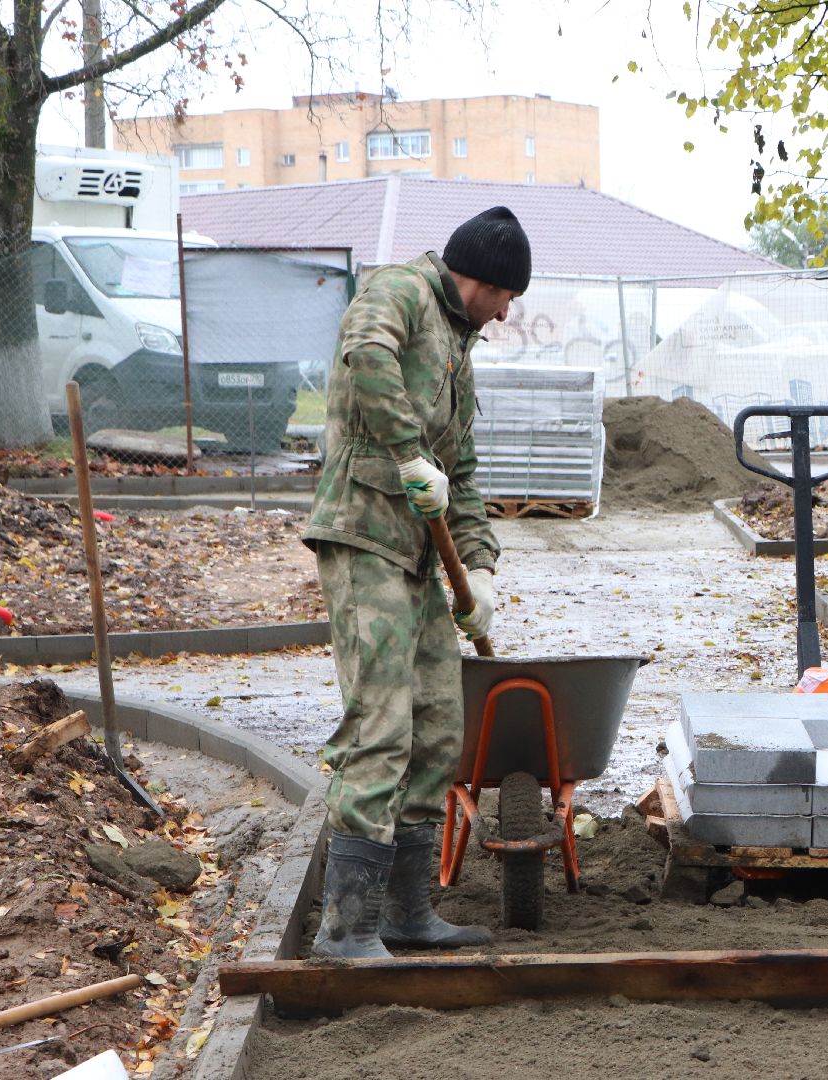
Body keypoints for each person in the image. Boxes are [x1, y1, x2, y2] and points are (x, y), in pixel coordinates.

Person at [302, 206, 531, 959]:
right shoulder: (398, 292)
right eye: (508, 297)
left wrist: (481, 568)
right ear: (484, 280)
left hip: (420, 558)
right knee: (381, 725)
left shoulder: (459, 348)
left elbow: (461, 472)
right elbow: (365, 354)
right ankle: (346, 929)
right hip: (364, 536)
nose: (506, 314)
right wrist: (407, 455)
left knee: (437, 726)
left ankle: (405, 912)